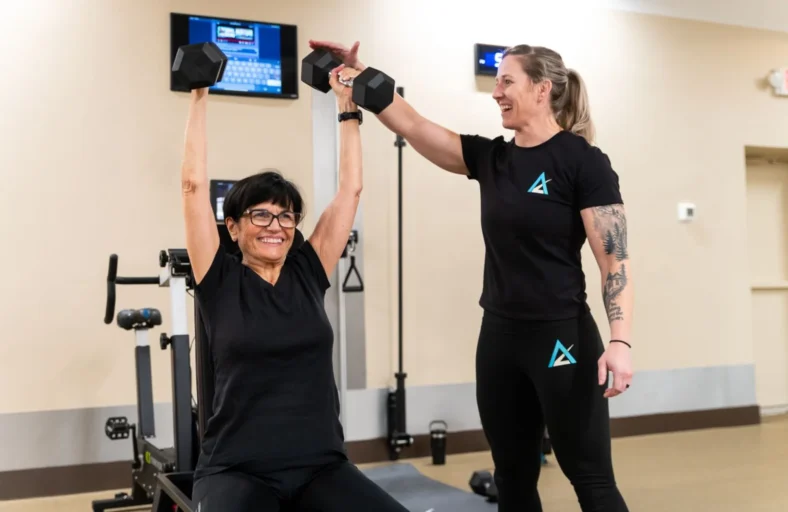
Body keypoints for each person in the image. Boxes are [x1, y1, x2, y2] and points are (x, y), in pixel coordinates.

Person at [308, 40, 634, 511]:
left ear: (542, 89)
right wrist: (361, 76)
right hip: (499, 339)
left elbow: (614, 260)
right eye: (496, 82)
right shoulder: (491, 158)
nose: (496, 92)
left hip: (562, 337)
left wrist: (620, 341)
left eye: (507, 82)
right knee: (513, 477)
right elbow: (413, 124)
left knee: (590, 477)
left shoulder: (582, 161)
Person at [180, 64, 408, 512]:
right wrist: (200, 95)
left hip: (320, 465)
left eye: (286, 216)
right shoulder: (218, 279)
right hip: (236, 469)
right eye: (260, 215)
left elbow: (351, 191)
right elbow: (192, 188)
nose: (276, 226)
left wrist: (347, 107)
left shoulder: (308, 270)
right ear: (232, 227)